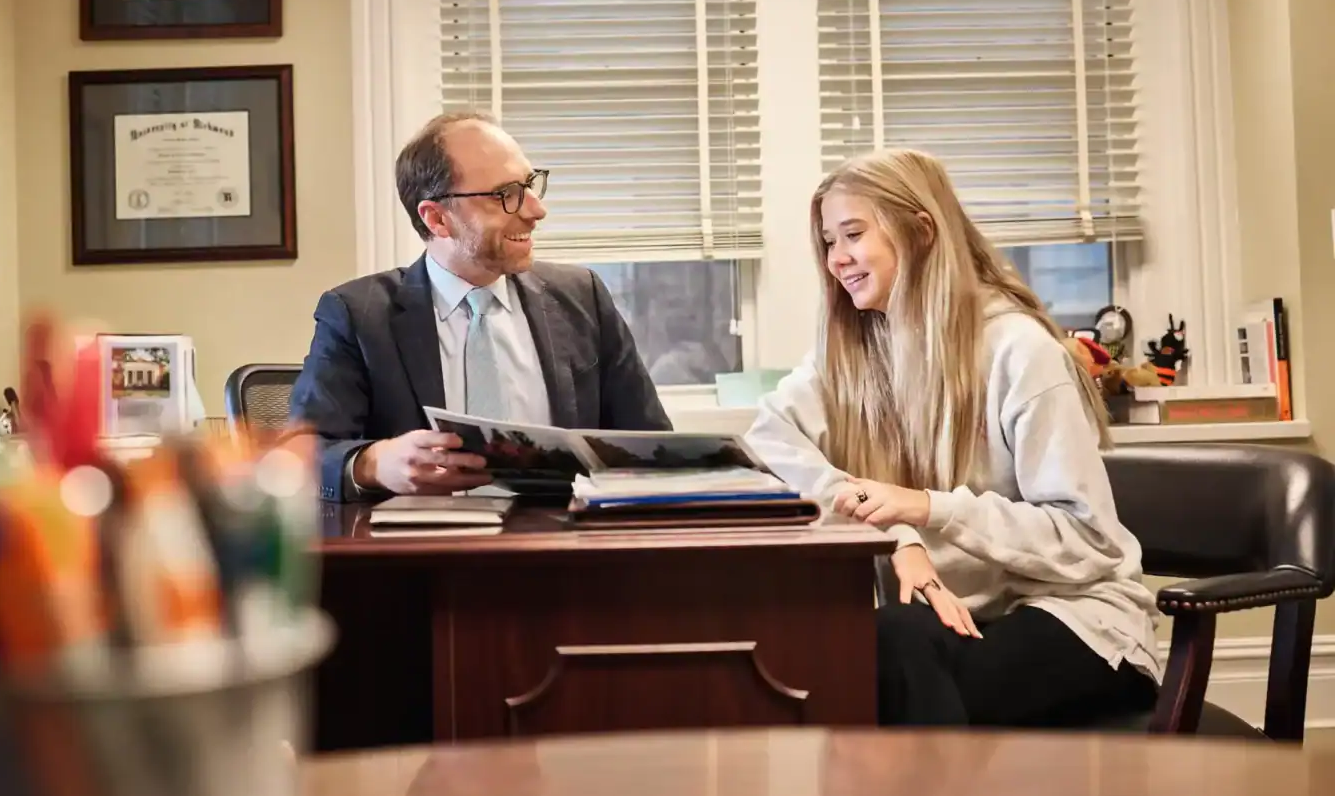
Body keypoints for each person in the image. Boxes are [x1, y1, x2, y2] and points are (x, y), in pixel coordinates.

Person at [745, 147, 1160, 727]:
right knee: (885, 641)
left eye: (853, 235)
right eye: (828, 243)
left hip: (1076, 616)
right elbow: (766, 439)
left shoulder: (1021, 352)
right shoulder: (853, 355)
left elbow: (1088, 539)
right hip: (961, 618)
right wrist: (900, 534)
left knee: (891, 681)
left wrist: (930, 508)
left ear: (920, 231)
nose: (838, 260)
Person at [290, 111, 670, 501]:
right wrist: (374, 463)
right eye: (506, 194)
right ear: (437, 219)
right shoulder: (358, 315)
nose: (536, 211)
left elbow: (653, 444)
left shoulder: (582, 297)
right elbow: (300, 458)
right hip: (426, 553)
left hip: (563, 545)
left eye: (530, 184)